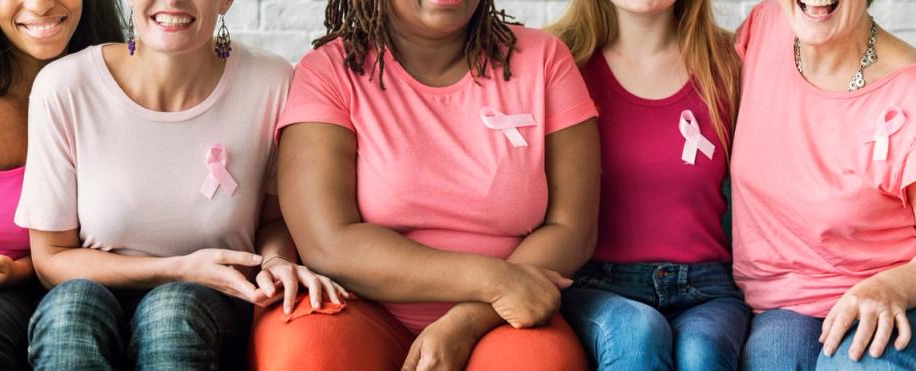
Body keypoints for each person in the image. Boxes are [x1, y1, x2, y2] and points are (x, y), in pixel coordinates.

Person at [251, 0, 601, 370]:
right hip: (360, 307)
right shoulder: (328, 72)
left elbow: (573, 228)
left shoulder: (544, 59)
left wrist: (467, 320)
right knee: (305, 352)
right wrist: (494, 281)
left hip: (503, 317)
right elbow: (328, 243)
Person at [16, 0, 345, 369]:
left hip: (212, 303)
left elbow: (273, 220)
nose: (172, 1)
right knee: (70, 307)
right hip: (93, 293)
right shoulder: (64, 87)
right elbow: (51, 259)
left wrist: (276, 260)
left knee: (171, 312)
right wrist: (178, 267)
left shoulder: (272, 81)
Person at [547, 0, 747, 369]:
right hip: (597, 285)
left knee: (702, 352)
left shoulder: (731, 63)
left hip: (706, 287)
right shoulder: (560, 62)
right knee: (637, 333)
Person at [732, 0, 916, 369]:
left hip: (886, 297)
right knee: (772, 358)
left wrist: (893, 287)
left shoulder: (907, 93)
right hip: (782, 307)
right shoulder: (765, 27)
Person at [0, 1, 122, 369]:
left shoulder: (121, 86)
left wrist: (24, 269)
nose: (41, 5)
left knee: (73, 313)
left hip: (85, 285)